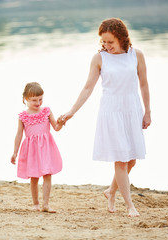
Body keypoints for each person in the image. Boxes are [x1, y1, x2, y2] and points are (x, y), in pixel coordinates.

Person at [59, 18, 151, 217]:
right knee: (120, 160)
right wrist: (71, 111)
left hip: (132, 108)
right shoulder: (99, 58)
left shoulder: (137, 55)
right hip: (111, 111)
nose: (106, 46)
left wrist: (147, 111)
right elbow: (87, 88)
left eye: (110, 42)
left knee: (132, 160)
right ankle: (129, 205)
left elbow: (143, 84)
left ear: (121, 38)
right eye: (103, 42)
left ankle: (110, 191)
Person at [11, 82, 64, 213]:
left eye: (40, 99)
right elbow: (19, 135)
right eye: (34, 100)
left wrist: (61, 122)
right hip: (31, 150)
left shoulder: (46, 111)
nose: (38, 102)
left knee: (47, 174)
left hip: (46, 148)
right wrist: (15, 152)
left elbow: (56, 128)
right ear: (25, 99)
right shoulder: (23, 116)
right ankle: (36, 204)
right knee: (34, 177)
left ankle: (46, 204)